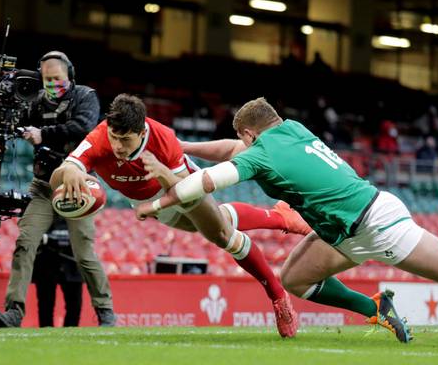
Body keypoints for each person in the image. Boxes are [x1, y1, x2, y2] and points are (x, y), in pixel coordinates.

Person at [137, 97, 438, 343]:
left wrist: (158, 204)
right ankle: (378, 311)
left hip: (376, 222)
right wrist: (182, 146)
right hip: (344, 231)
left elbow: (206, 181)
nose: (242, 147)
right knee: (295, 279)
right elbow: (231, 150)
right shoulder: (291, 130)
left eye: (244, 140)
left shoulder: (260, 154)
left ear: (251, 134)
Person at [50, 94, 311, 338]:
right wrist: (68, 170)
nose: (117, 146)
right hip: (147, 198)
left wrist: (163, 176)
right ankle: (280, 216)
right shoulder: (99, 138)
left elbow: (182, 190)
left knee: (222, 236)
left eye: (125, 140)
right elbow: (56, 179)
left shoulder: (163, 139)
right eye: (113, 138)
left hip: (181, 184)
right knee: (215, 223)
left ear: (141, 133)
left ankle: (278, 296)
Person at [0, 51, 115, 328]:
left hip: (77, 185)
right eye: (47, 79)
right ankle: (14, 311)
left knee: (83, 253)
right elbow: (11, 122)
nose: (52, 84)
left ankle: (105, 311)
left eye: (57, 78)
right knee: (25, 242)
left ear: (69, 74)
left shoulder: (85, 96)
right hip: (44, 187)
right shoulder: (36, 100)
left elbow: (84, 126)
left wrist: (44, 134)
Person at [32, 215, 83, 327]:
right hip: (46, 261)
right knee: (45, 304)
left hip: (72, 261)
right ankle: (45, 333)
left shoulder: (78, 208)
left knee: (75, 305)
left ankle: (71, 334)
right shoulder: (43, 206)